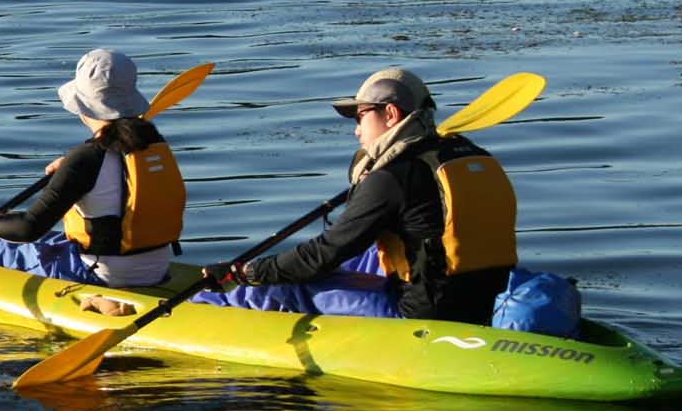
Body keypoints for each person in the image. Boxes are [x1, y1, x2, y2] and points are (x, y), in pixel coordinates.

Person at [204, 67, 517, 322]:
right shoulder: (471, 157)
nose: (356, 130)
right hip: (484, 308)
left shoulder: (392, 177)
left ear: (391, 114)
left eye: (360, 116)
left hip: (421, 317)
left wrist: (247, 273)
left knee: (293, 286)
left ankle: (217, 312)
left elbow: (322, 256)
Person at [0, 49, 186, 287]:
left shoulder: (86, 160)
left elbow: (28, 229)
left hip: (98, 275)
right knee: (53, 240)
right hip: (155, 271)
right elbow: (116, 178)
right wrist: (70, 168)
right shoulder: (152, 143)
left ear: (83, 107)